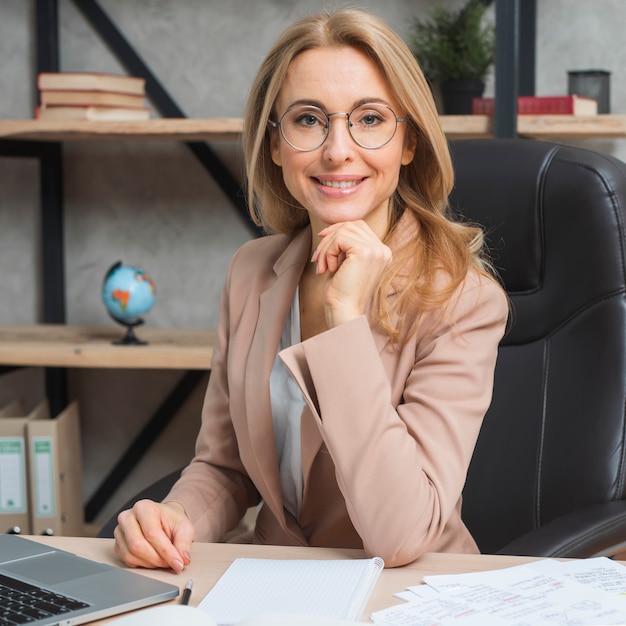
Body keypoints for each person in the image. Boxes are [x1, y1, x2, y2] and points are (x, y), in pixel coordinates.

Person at [113, 8, 508, 571]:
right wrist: (176, 519)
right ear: (275, 144)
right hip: (271, 587)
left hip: (401, 594)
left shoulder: (462, 301)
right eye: (307, 120)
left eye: (370, 119)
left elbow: (401, 534)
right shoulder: (251, 272)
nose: (337, 150)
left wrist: (345, 321)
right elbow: (226, 468)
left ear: (410, 142)